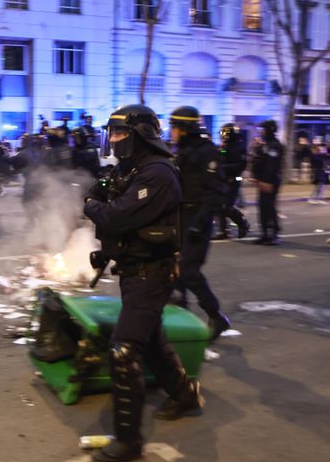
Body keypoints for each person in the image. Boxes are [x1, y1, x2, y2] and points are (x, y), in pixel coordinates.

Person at [84, 104, 203, 462]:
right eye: (113, 134)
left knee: (124, 350)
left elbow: (114, 214)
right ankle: (184, 395)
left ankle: (129, 441)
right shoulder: (132, 169)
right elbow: (104, 195)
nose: (115, 140)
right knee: (150, 338)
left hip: (152, 272)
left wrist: (91, 204)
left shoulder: (158, 174)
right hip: (136, 269)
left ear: (140, 135)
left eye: (121, 134)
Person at [169, 107, 233, 339]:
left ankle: (216, 316)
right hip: (180, 218)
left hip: (197, 220)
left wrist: (200, 222)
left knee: (188, 271)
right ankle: (177, 318)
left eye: (174, 127)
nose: (171, 132)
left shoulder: (207, 152)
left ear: (184, 129)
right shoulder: (183, 151)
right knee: (173, 269)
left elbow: (215, 191)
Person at [251, 119, 284, 245]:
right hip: (263, 180)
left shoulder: (275, 146)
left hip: (270, 181)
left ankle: (274, 234)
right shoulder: (265, 145)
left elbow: (272, 165)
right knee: (262, 207)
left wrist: (267, 181)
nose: (261, 132)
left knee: (269, 207)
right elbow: (258, 160)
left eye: (263, 130)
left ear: (270, 130)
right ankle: (264, 234)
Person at [215, 123, 250, 240]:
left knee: (227, 206)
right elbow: (222, 157)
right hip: (223, 179)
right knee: (220, 205)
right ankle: (223, 230)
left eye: (225, 133)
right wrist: (221, 151)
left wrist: (224, 168)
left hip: (234, 180)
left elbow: (241, 165)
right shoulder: (226, 146)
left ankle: (242, 223)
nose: (223, 136)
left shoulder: (239, 146)